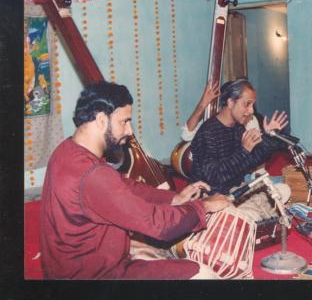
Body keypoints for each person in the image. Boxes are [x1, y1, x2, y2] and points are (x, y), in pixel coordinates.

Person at [40, 81, 231, 280]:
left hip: (70, 269)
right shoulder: (93, 174)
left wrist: (173, 198)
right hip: (98, 276)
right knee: (201, 273)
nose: (130, 131)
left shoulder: (67, 150)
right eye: (124, 122)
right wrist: (203, 207)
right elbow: (159, 226)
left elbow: (121, 186)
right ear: (101, 120)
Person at [189, 78, 290, 217]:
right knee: (253, 214)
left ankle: (248, 210)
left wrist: (270, 138)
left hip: (237, 190)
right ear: (230, 102)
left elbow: (251, 161)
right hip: (213, 197)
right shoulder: (208, 132)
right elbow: (214, 177)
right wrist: (244, 151)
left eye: (252, 105)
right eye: (247, 104)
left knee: (284, 190)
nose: (251, 111)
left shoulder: (237, 128)